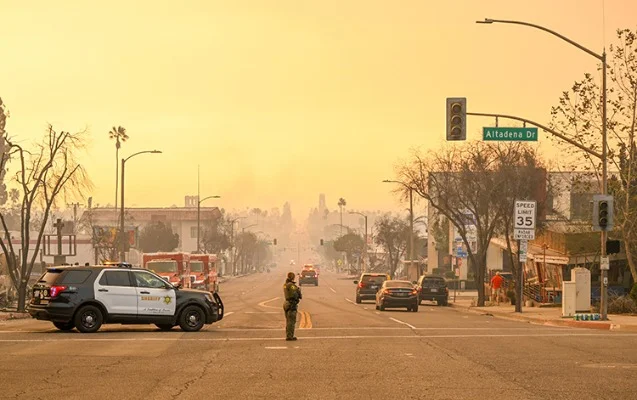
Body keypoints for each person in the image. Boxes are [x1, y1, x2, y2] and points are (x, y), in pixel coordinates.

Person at [283, 271, 302, 341]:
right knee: (291, 321)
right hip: (291, 304)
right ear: (293, 277)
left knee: (288, 321)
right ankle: (289, 336)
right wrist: (298, 290)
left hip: (287, 303)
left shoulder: (285, 284)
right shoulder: (291, 285)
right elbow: (295, 294)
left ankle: (289, 335)